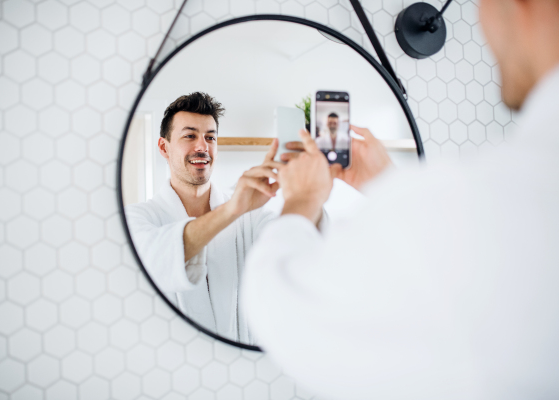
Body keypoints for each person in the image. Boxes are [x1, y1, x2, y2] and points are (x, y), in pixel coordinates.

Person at [242, 0, 559, 398]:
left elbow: (286, 315)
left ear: (520, 6)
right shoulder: (502, 196)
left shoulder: (479, 201)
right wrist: (387, 186)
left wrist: (302, 201)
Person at [125, 92, 320, 344]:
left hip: (241, 367)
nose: (202, 147)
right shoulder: (139, 218)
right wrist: (231, 210)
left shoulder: (250, 214)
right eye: (189, 136)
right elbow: (156, 258)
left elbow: (296, 248)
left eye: (210, 137)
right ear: (164, 147)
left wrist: (308, 191)